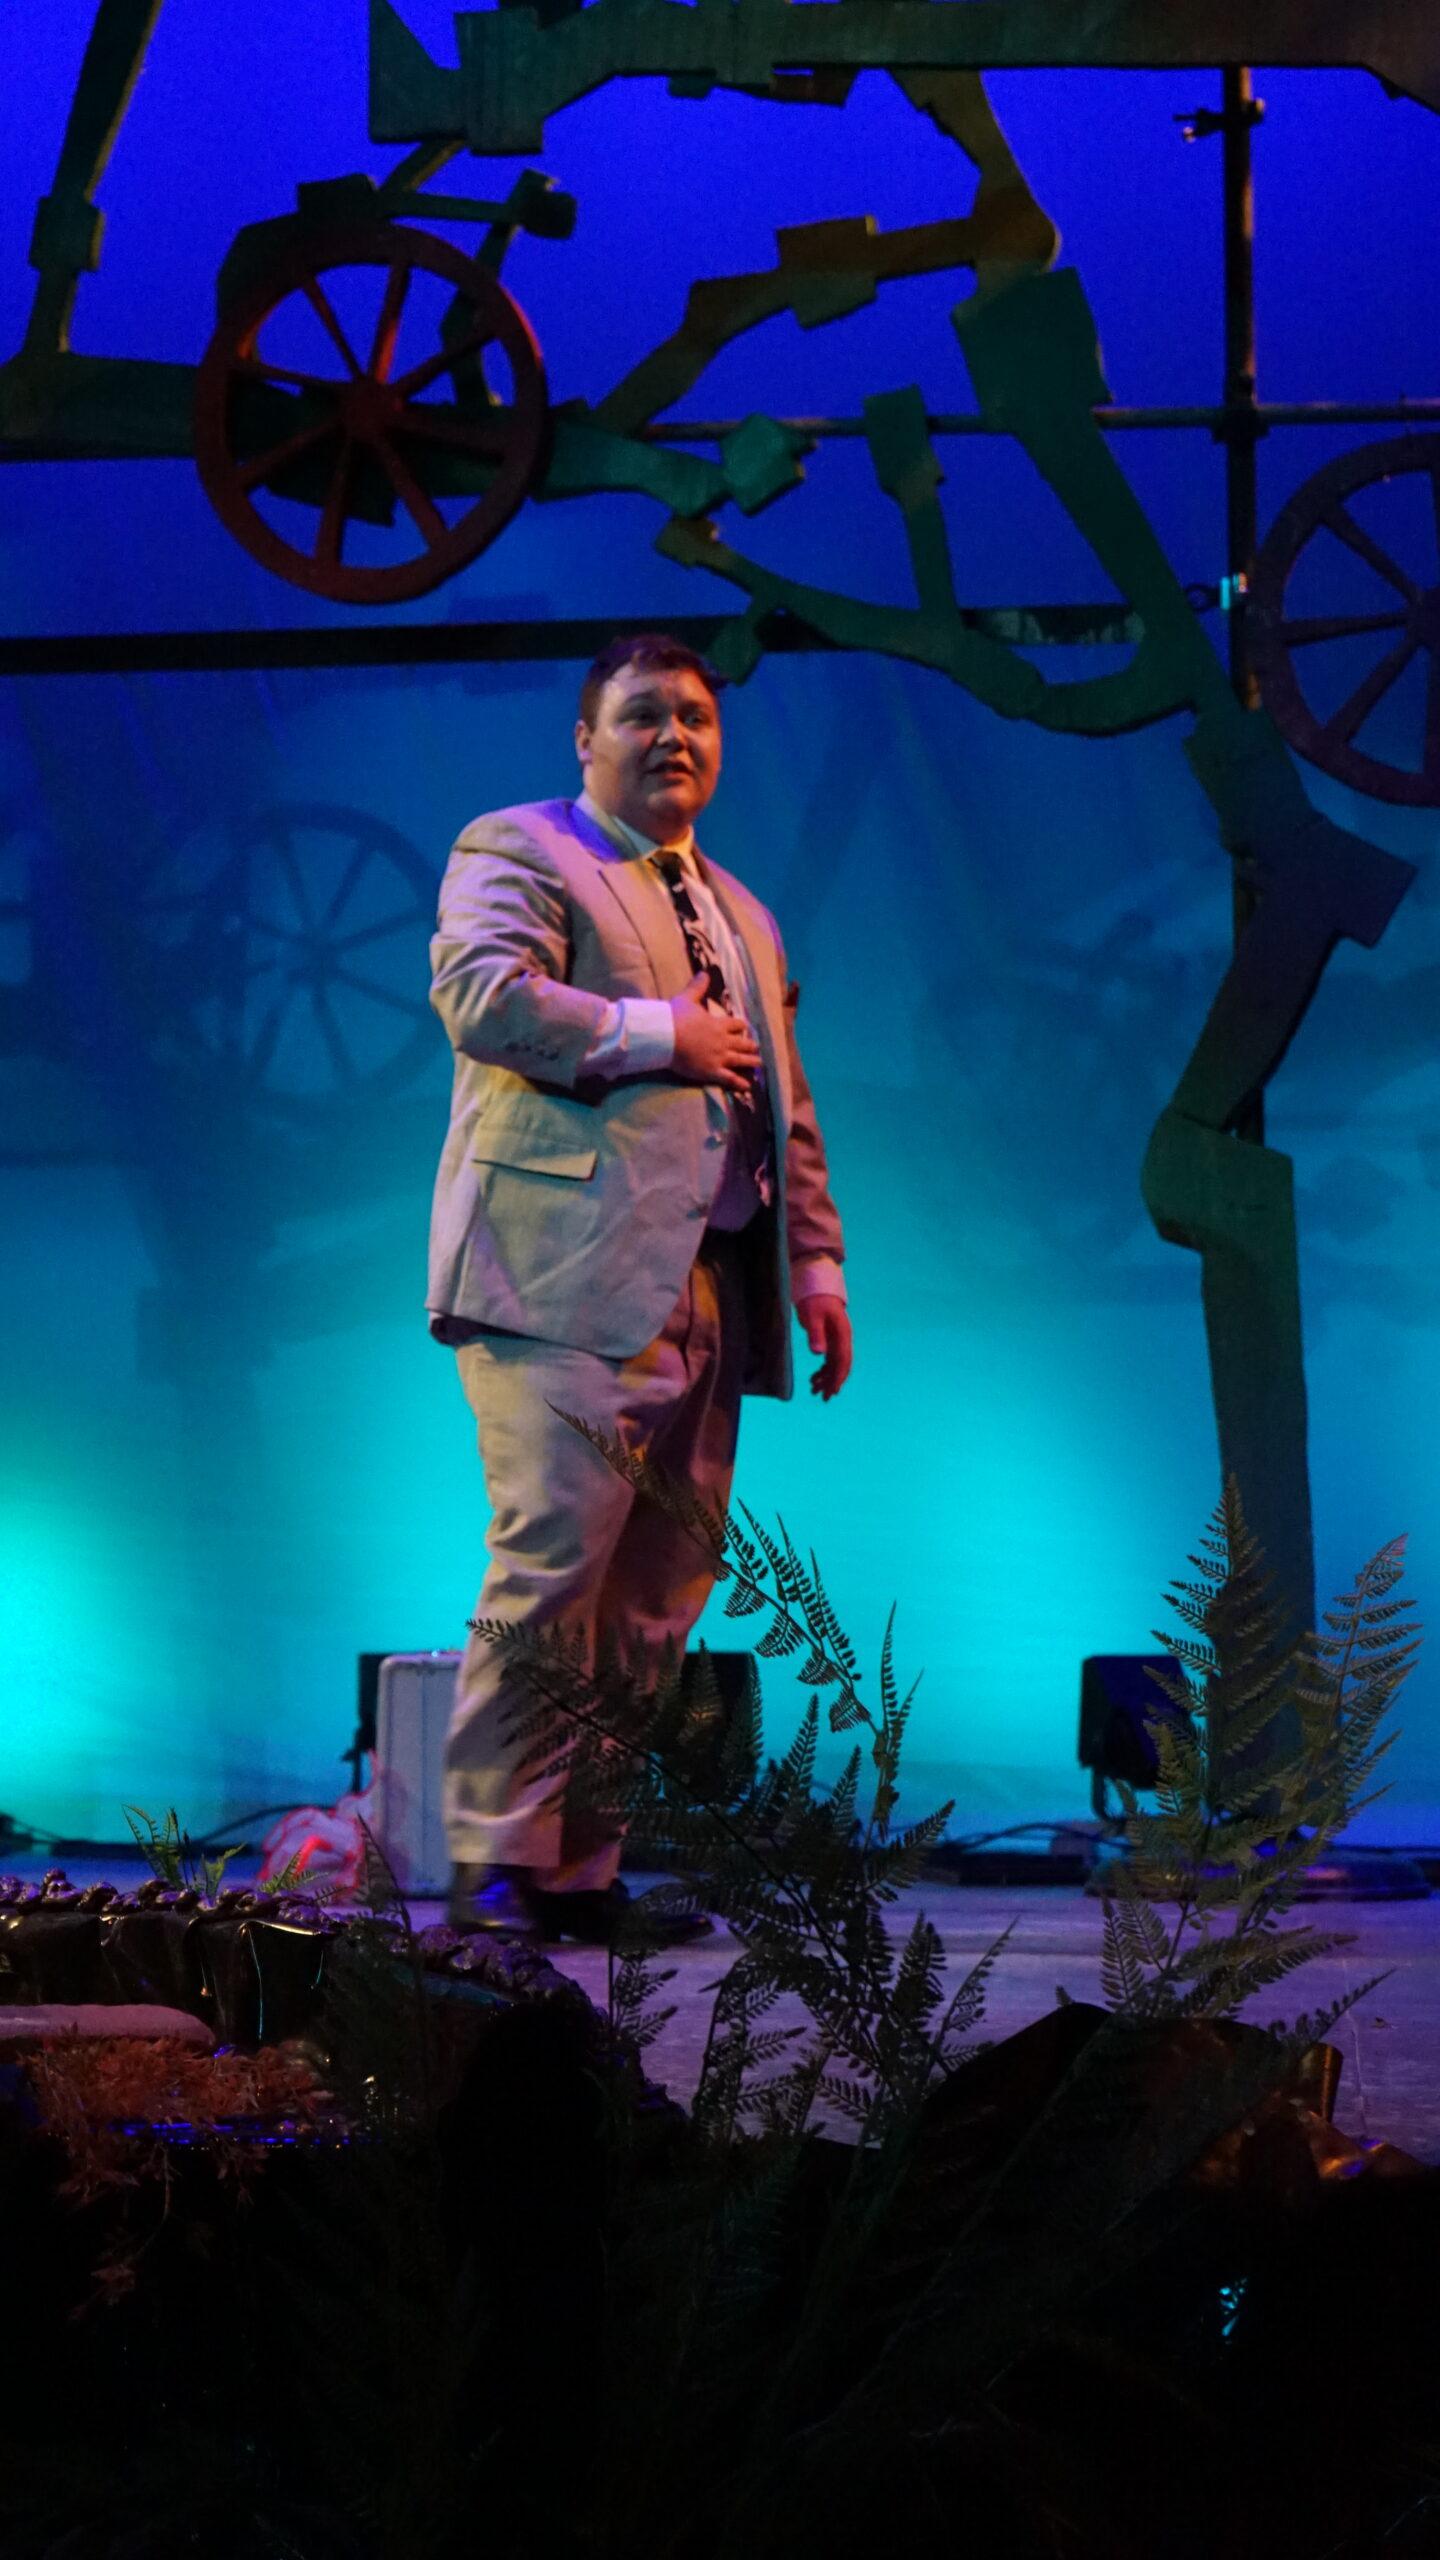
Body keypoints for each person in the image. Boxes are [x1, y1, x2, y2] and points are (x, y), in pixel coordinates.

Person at [427, 633, 850, 1942]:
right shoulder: (523, 846)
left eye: (697, 719)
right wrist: (657, 1032)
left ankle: (579, 1872)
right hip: (560, 1274)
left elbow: (786, 1104)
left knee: (658, 1595)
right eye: (645, 714)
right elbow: (482, 997)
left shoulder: (743, 911)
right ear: (586, 738)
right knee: (554, 1569)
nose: (675, 736)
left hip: (713, 1283)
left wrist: (815, 1262)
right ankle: (494, 1864)